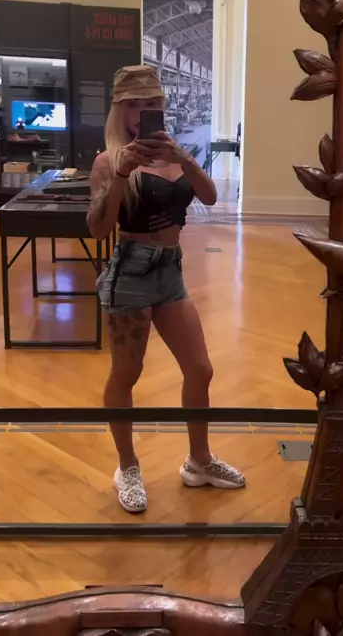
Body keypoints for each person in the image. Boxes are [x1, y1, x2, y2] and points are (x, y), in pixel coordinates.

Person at [87, 65, 245, 513]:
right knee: (126, 374)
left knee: (201, 369)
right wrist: (121, 173)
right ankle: (127, 466)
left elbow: (210, 197)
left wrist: (184, 158)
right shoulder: (108, 161)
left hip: (171, 272)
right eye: (134, 105)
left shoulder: (178, 154)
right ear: (120, 111)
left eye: (152, 103)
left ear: (163, 105)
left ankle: (199, 460)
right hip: (132, 274)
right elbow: (98, 230)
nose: (143, 113)